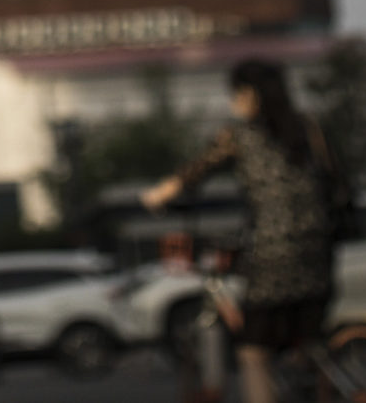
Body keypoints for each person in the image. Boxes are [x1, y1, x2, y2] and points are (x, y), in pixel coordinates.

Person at [141, 62, 340, 403]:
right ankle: (313, 375)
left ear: (249, 95)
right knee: (305, 337)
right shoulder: (308, 128)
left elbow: (196, 170)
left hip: (275, 254)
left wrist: (159, 195)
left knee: (253, 351)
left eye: (235, 94)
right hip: (322, 246)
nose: (233, 101)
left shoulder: (240, 135)